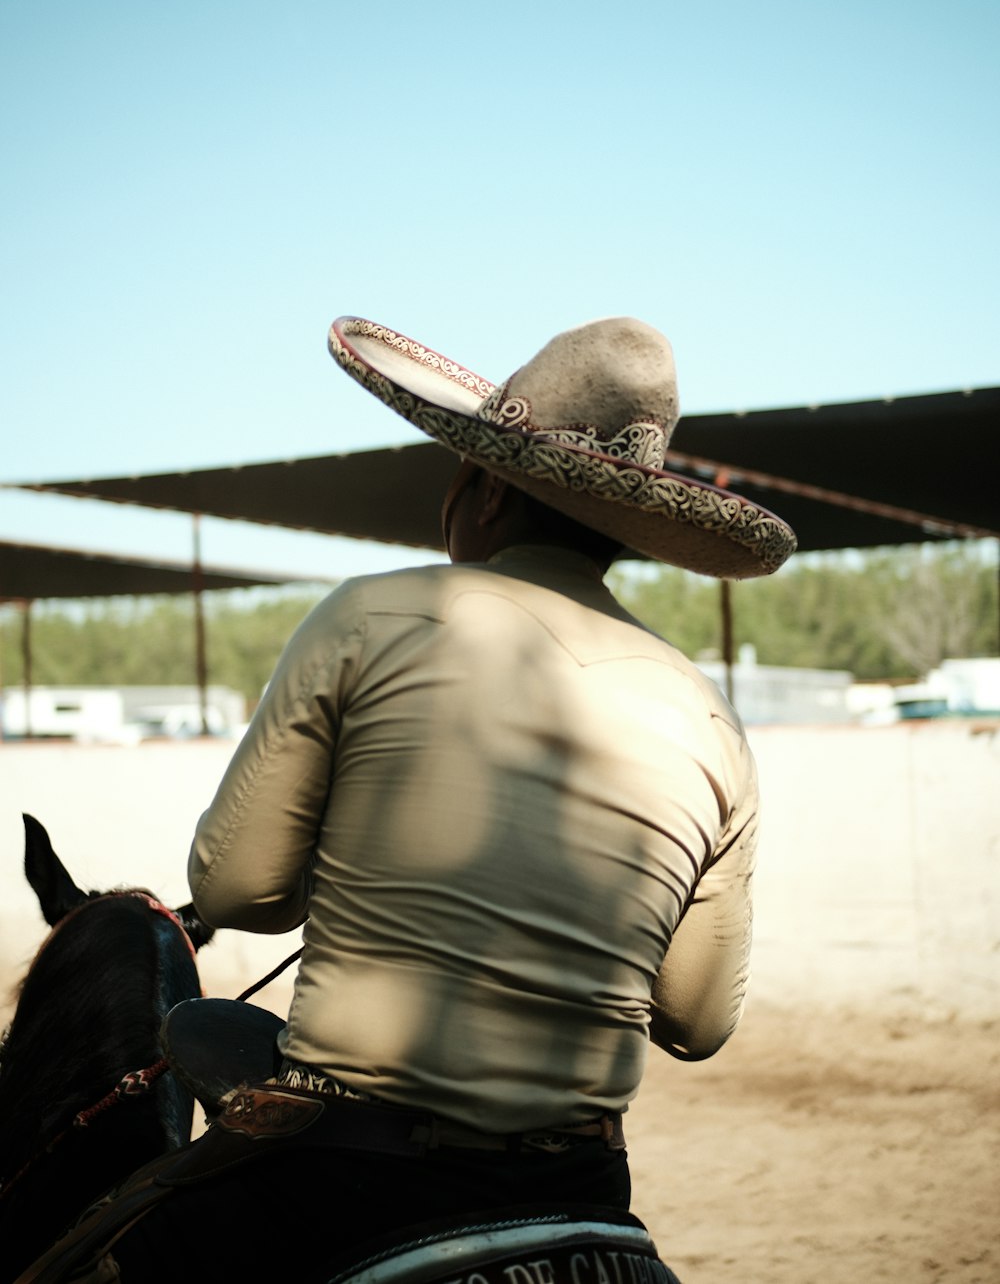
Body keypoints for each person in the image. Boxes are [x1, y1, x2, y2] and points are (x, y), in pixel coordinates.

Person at [24, 315, 795, 1283]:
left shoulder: (370, 615)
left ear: (476, 488)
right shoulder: (709, 716)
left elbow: (235, 894)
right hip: (588, 1183)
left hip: (346, 1176)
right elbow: (695, 1022)